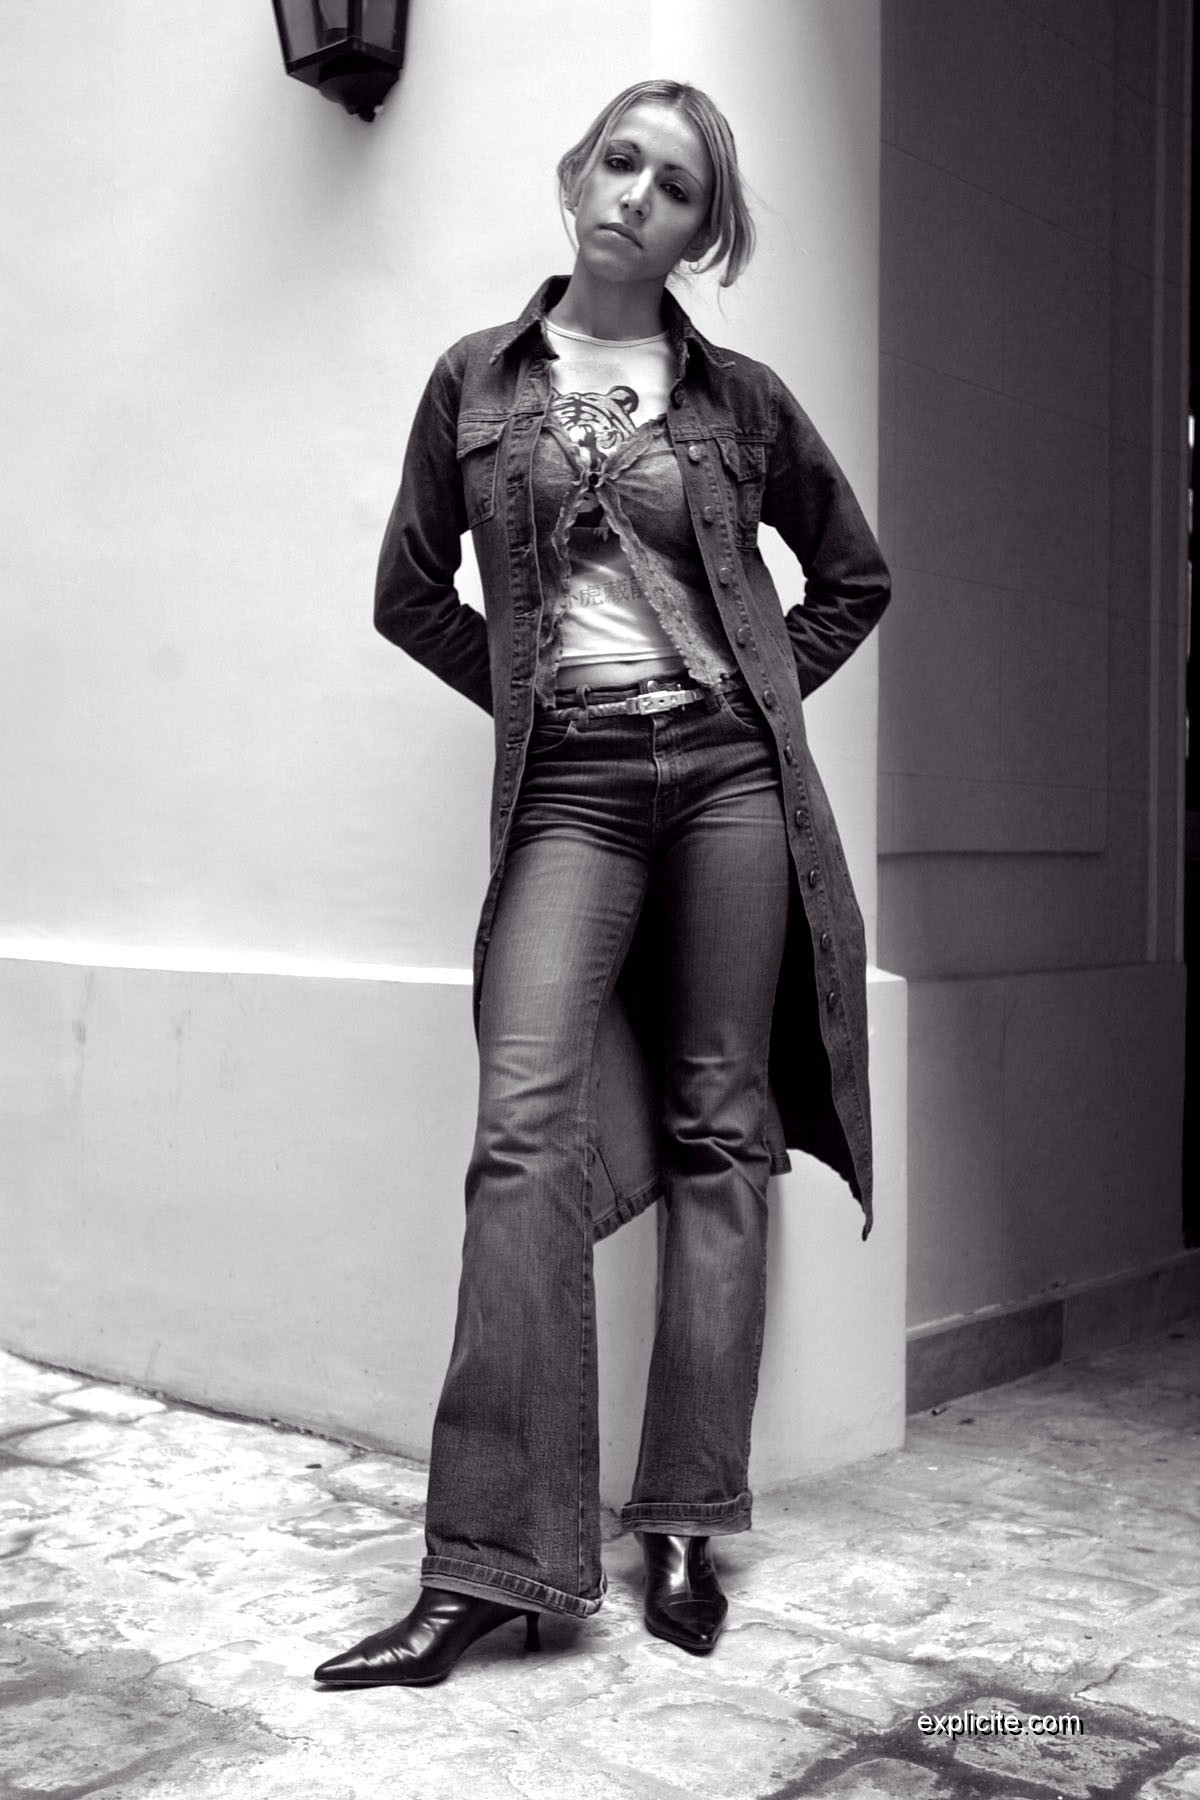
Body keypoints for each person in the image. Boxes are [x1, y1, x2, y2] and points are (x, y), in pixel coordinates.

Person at [314, 77, 890, 1690]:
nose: (639, 194)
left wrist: (756, 697)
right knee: (522, 1133)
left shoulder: (740, 404)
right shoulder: (476, 381)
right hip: (571, 779)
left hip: (727, 785)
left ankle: (688, 1516)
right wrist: (532, 698)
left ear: (705, 232)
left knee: (721, 1127)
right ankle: (488, 1566)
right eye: (621, 161)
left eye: (678, 184)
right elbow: (409, 595)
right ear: (577, 176)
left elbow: (852, 578)